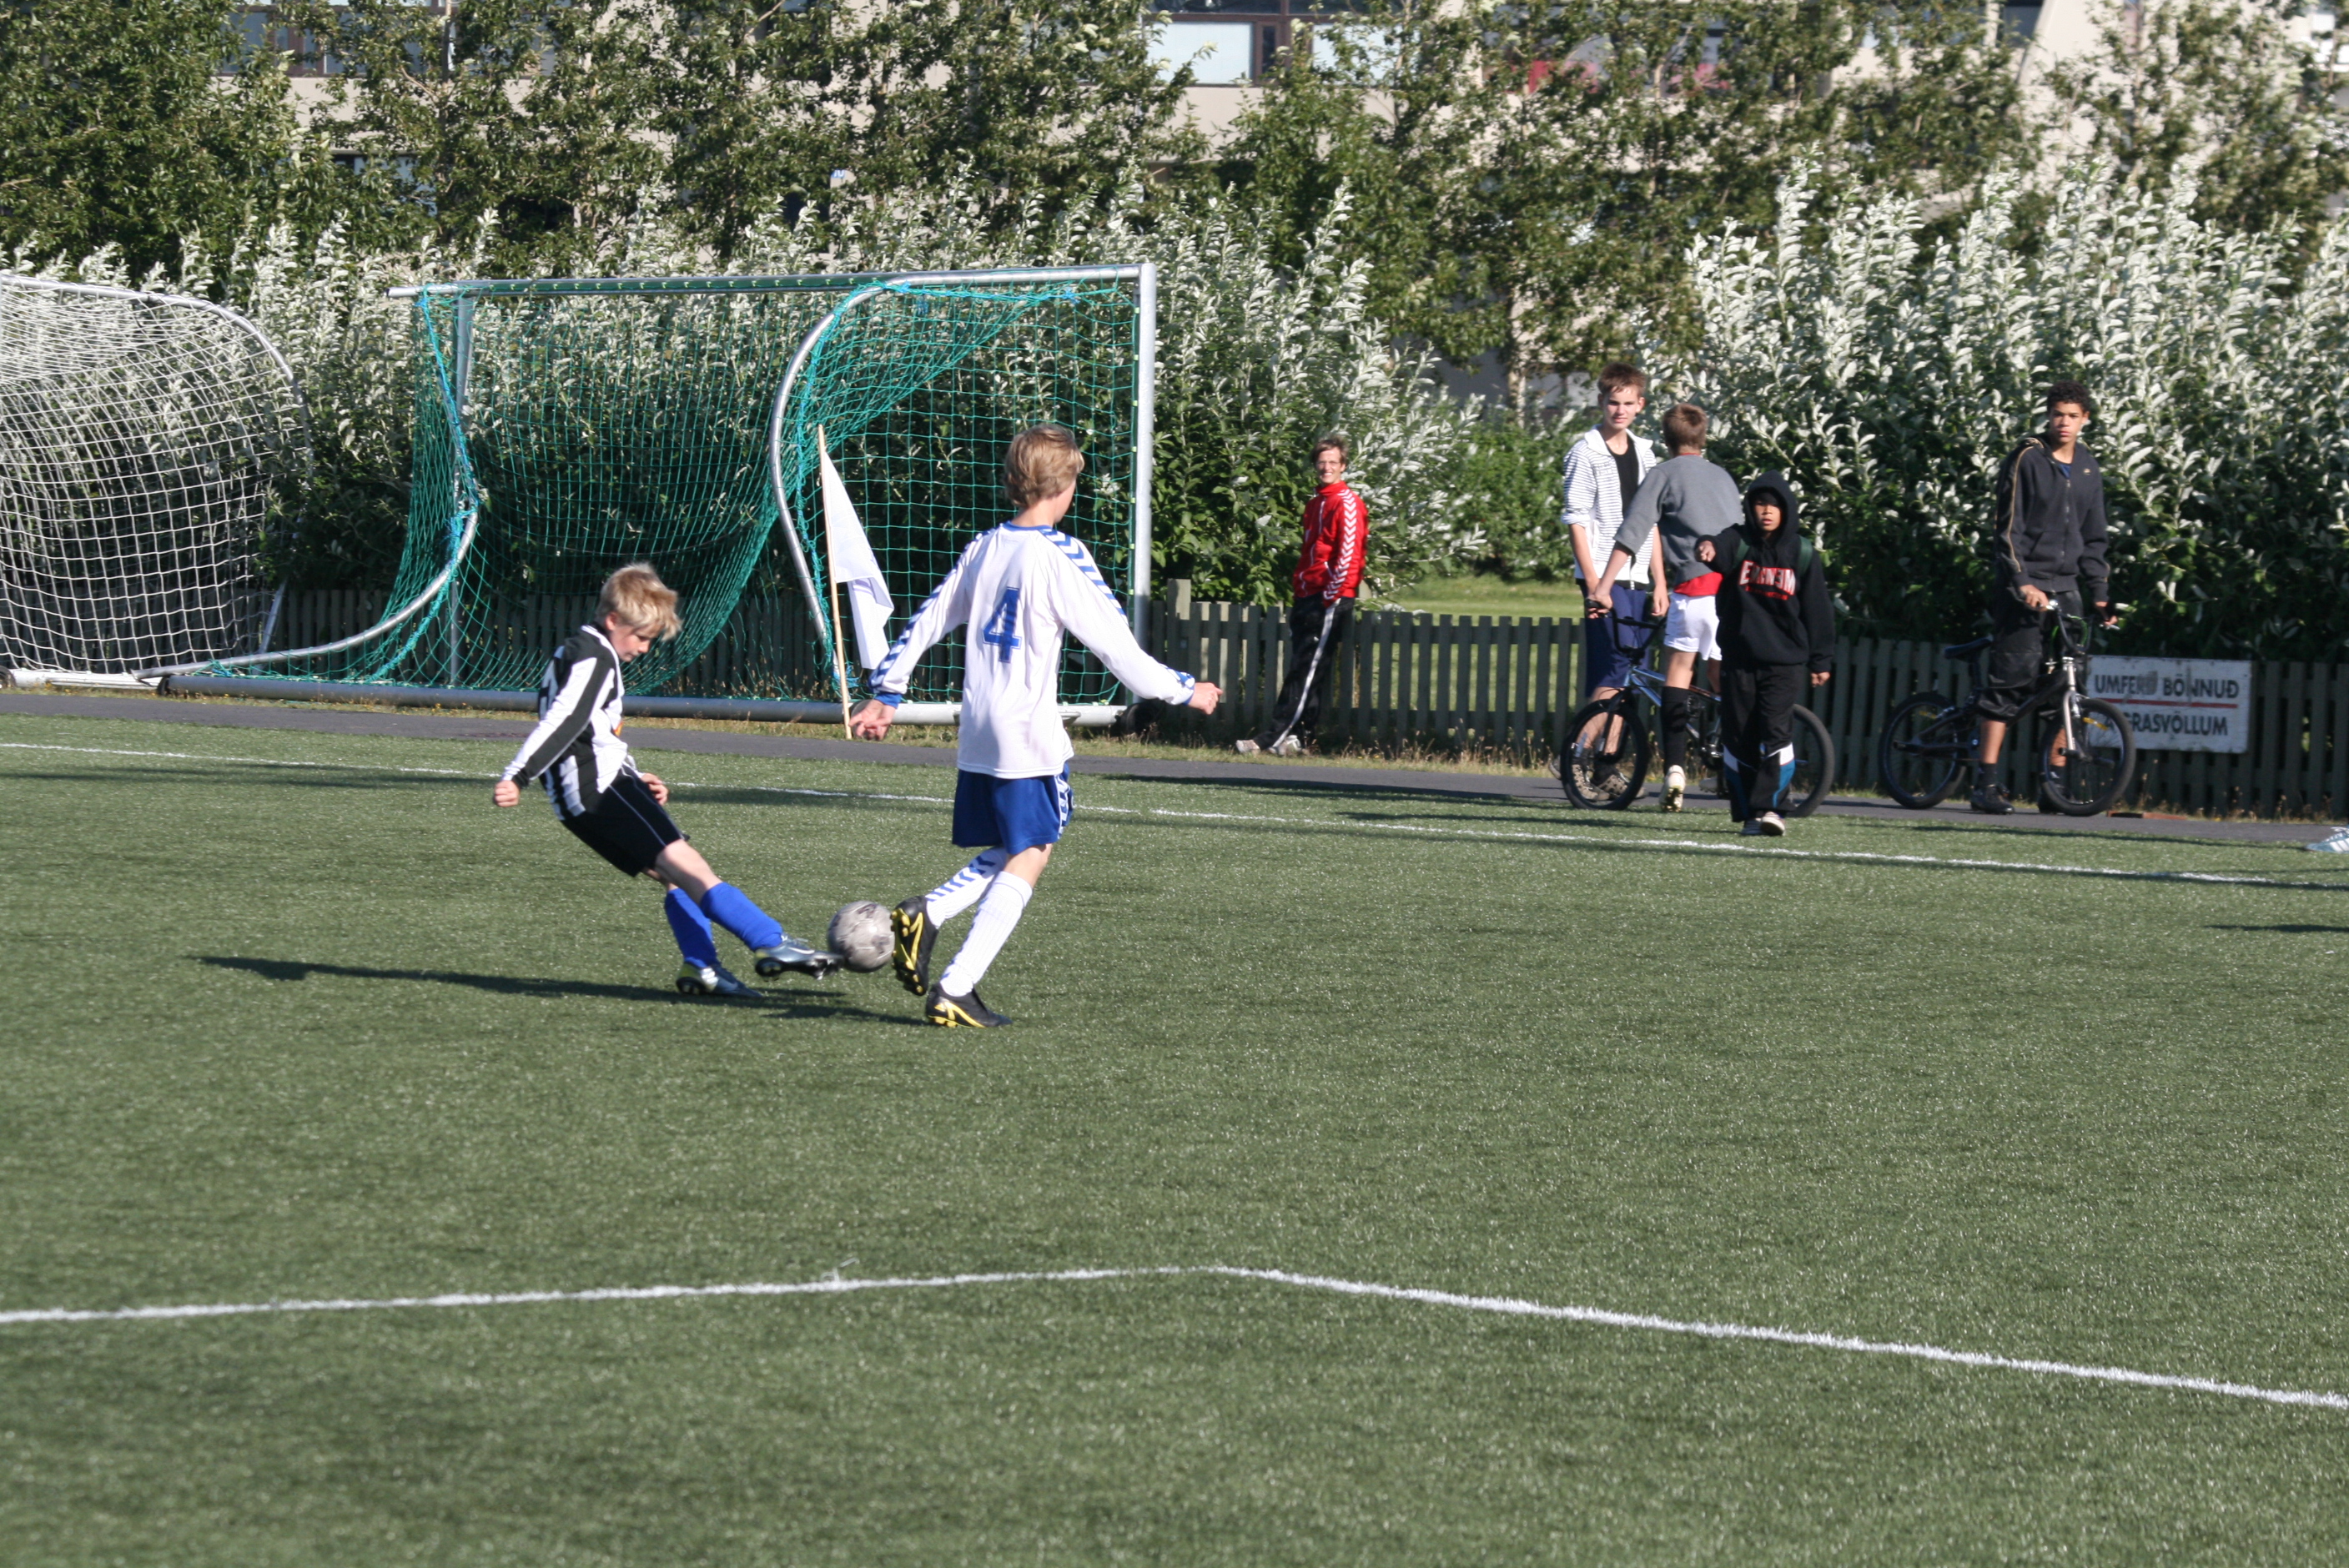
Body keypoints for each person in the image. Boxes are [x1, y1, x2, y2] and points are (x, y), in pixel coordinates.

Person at [851, 425, 1223, 1028]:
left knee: (1025, 840)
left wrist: (887, 693)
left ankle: (931, 917)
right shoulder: (1061, 555)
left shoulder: (984, 546)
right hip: (1025, 728)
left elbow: (929, 617)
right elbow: (1118, 649)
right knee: (1035, 847)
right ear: (1065, 484)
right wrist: (1185, 689)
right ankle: (954, 981)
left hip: (978, 725)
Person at [491, 563, 837, 997]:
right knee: (688, 867)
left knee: (675, 874)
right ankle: (771, 941)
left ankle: (702, 966)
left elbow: (590, 731)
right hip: (600, 790)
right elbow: (563, 721)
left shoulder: (580, 650)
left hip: (584, 795)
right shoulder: (595, 657)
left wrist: (635, 775)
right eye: (641, 637)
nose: (644, 648)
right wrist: (518, 775)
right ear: (613, 620)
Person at [1587, 402, 1742, 812]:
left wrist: (1603, 586)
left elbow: (1632, 533)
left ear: (1667, 438)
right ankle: (1732, 767)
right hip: (1731, 596)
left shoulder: (1663, 474)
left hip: (1693, 591)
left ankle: (1674, 772)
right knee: (1721, 680)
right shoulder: (1723, 478)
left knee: (1677, 677)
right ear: (1703, 437)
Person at [1969, 379, 2113, 815]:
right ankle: (1985, 783)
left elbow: (2095, 537)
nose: (2063, 423)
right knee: (2009, 683)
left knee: (2068, 688)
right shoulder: (2027, 458)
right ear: (2048, 416)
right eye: (2057, 415)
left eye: (2072, 416)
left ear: (2085, 420)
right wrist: (2022, 582)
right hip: (2023, 588)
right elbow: (2007, 529)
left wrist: (2100, 594)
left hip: (2067, 589)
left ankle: (2053, 785)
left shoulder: (2088, 467)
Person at [1708, 474, 1833, 837]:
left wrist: (1821, 659)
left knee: (1776, 732)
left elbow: (1818, 610)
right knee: (1740, 736)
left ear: (1786, 510)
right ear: (1750, 507)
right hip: (1739, 658)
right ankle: (1750, 812)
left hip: (1784, 661)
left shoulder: (1802, 552)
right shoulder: (1739, 540)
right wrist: (1707, 547)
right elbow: (1718, 547)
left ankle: (1773, 809)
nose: (1766, 511)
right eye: (1760, 504)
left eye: (1774, 505)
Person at [1235, 434, 1366, 756]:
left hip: (1329, 597)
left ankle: (1271, 738)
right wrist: (1302, 587)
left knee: (1304, 670)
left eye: (1333, 462)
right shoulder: (1315, 503)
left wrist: (1330, 597)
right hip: (1308, 594)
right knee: (1308, 669)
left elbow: (1348, 556)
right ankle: (1300, 738)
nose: (1326, 468)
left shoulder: (1347, 503)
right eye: (1321, 462)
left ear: (1343, 466)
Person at [1562, 364, 1660, 701]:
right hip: (1603, 575)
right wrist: (1593, 584)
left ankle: (1611, 736)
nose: (1621, 411)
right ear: (1601, 402)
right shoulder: (1584, 453)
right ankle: (1587, 736)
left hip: (1638, 577)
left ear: (1640, 405)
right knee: (1615, 664)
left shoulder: (1645, 454)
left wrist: (1660, 582)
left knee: (1634, 669)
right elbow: (1576, 520)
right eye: (1614, 403)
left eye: (1628, 403)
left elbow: (1651, 522)